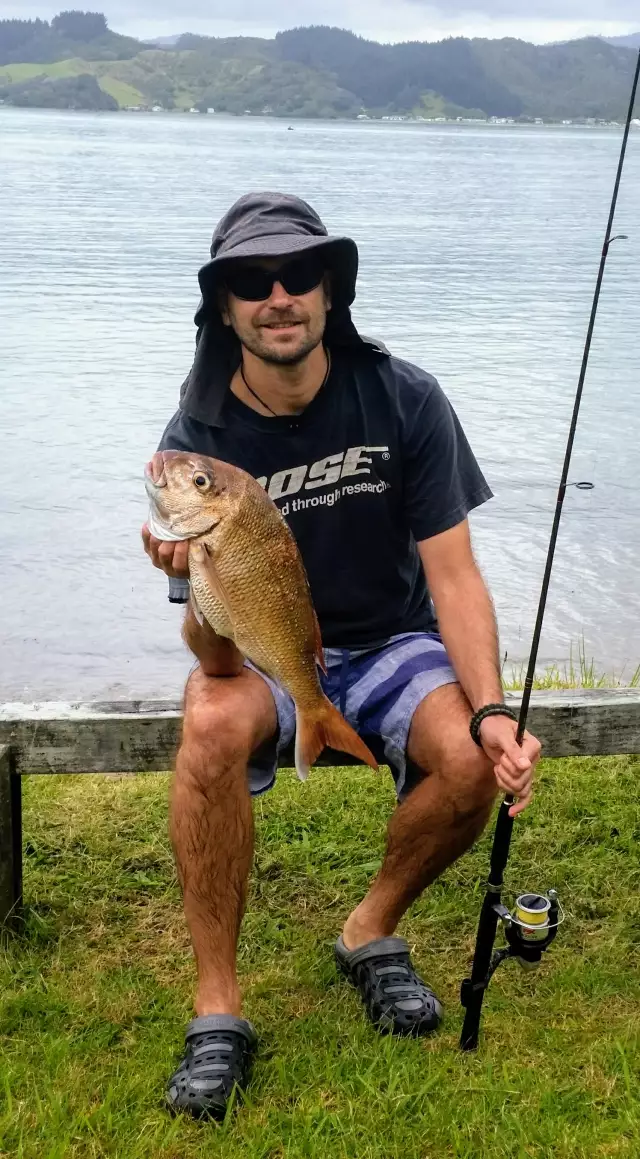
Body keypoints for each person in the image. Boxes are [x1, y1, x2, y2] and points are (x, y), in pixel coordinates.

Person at [142, 191, 541, 1120]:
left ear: (331, 289)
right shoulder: (193, 445)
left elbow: (454, 576)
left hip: (393, 640)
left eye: (298, 275)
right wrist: (194, 574)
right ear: (224, 306)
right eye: (250, 281)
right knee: (208, 720)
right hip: (267, 657)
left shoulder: (404, 395)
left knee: (471, 759)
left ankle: (369, 933)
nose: (277, 296)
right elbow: (213, 654)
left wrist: (488, 709)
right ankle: (217, 1014)